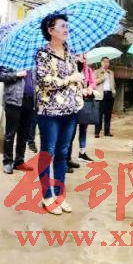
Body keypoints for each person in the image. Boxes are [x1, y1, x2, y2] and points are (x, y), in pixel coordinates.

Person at [35, 13, 84, 215]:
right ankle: (47, 196)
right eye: (62, 26)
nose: (66, 29)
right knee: (48, 152)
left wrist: (81, 83)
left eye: (67, 26)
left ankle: (59, 195)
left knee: (63, 153)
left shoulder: (70, 53)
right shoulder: (42, 54)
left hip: (70, 110)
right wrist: (70, 79)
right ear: (50, 30)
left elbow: (74, 80)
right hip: (49, 111)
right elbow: (45, 81)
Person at [0, 67, 35, 174]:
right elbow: (0, 76)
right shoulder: (9, 59)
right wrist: (16, 74)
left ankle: (19, 161)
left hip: (30, 100)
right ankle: (7, 162)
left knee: (24, 134)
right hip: (13, 100)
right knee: (10, 134)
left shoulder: (32, 60)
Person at [67, 54, 98, 172]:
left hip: (84, 103)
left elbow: (93, 82)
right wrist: (80, 89)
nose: (82, 59)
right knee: (70, 132)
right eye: (79, 56)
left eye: (84, 57)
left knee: (83, 128)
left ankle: (81, 153)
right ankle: (66, 158)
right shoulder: (71, 68)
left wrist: (90, 88)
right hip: (73, 104)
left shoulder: (88, 70)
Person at [94, 57, 116, 138]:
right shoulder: (96, 72)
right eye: (105, 62)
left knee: (108, 114)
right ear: (101, 63)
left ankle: (107, 131)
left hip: (109, 94)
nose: (106, 63)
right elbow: (94, 82)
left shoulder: (111, 72)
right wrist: (103, 77)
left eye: (108, 62)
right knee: (99, 115)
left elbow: (113, 83)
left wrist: (114, 91)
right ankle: (97, 132)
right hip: (101, 95)